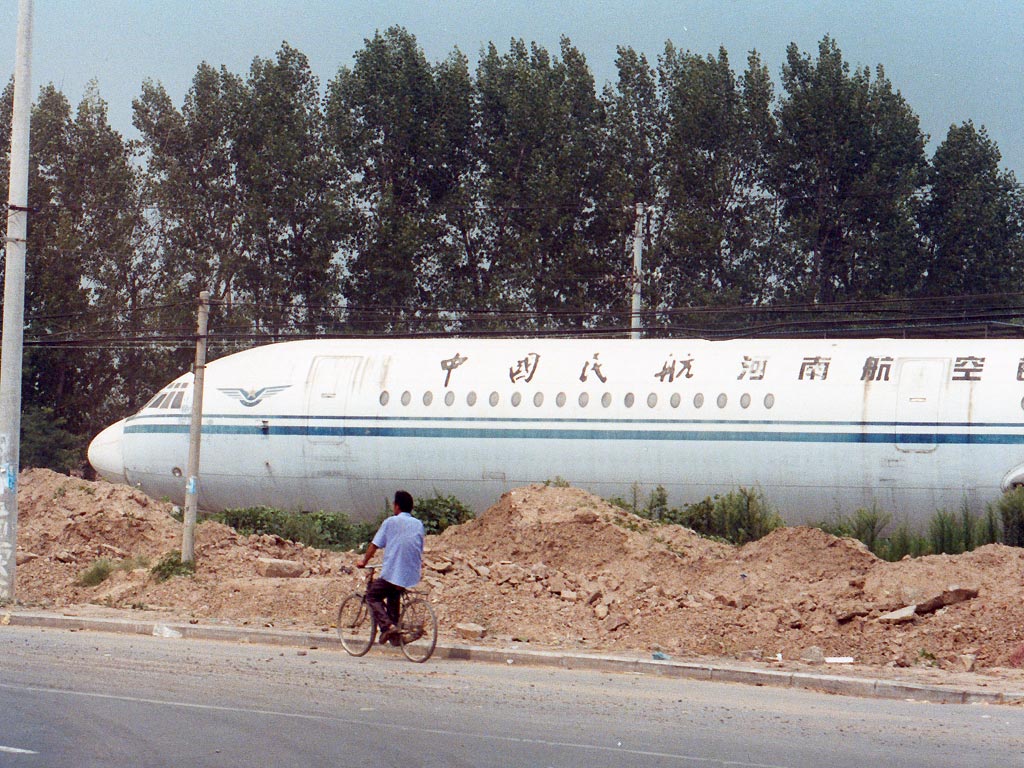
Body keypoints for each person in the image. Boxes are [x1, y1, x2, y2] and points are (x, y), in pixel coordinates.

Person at [355, 490, 424, 644]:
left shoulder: (390, 522)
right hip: (411, 573)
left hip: (394, 571)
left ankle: (387, 627)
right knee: (393, 595)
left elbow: (374, 545)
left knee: (372, 596)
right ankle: (396, 637)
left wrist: (364, 562)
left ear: (397, 506)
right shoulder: (418, 524)